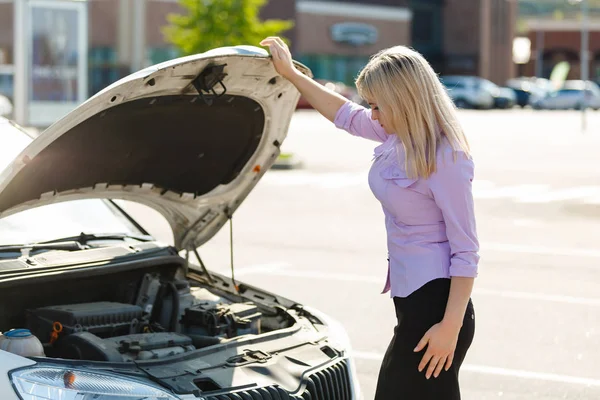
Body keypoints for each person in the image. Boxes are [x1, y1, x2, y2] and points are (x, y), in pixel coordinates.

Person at [260, 37, 479, 400]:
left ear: (403, 102)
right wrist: (291, 74)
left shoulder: (447, 158)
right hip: (413, 305)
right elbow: (344, 115)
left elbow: (467, 252)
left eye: (378, 106)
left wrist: (449, 328)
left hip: (438, 311)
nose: (372, 115)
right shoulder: (398, 136)